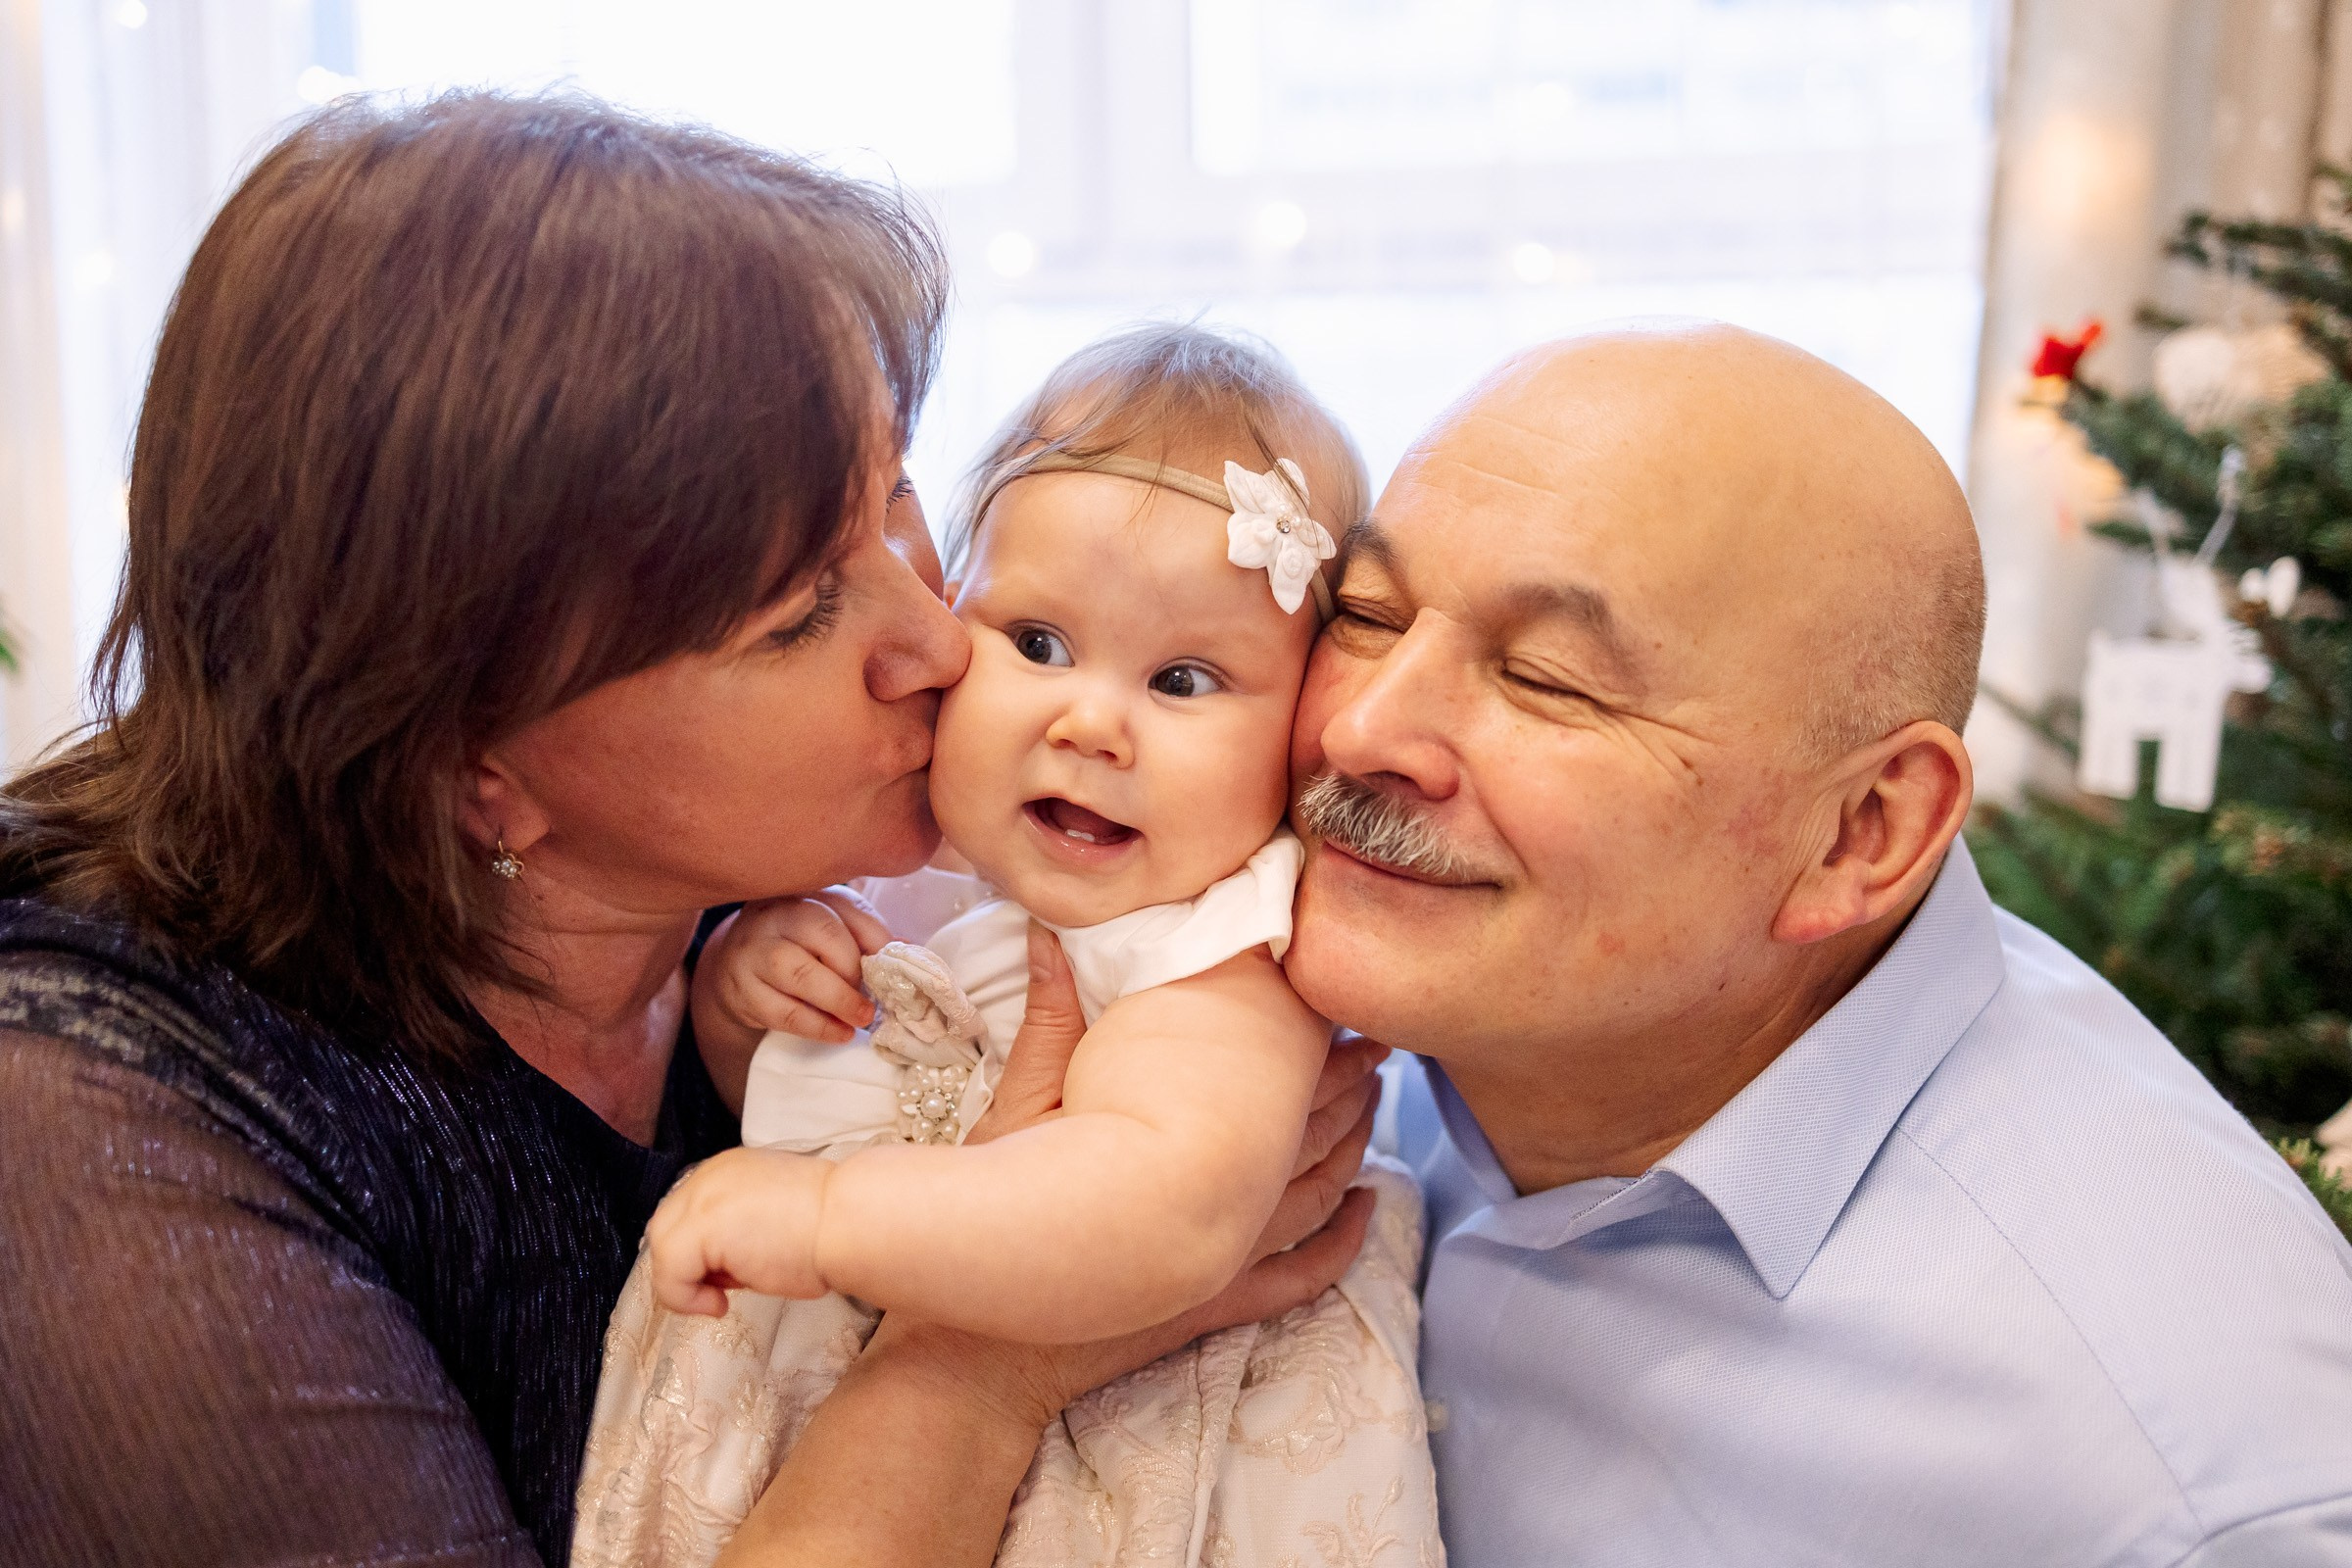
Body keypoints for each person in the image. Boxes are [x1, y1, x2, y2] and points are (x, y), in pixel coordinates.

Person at [0, 93, 1380, 1568]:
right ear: (476, 764)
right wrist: (994, 1354)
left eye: (899, 495)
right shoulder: (95, 1130)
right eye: (797, 617)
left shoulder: (808, 912)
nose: (939, 635)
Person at [1281, 323, 2352, 1565]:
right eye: (1365, 612)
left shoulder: (2177, 1489)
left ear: (1862, 832)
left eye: (1549, 679)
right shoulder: (1294, 992)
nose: (1363, 728)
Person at [575, 322, 1439, 1568]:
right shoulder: (923, 875)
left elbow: (1169, 1212)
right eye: (1036, 644)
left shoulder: (1212, 954)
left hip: (1124, 1472)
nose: (1091, 721)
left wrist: (827, 1215)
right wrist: (743, 1004)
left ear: (1303, 733)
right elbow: (838, 1101)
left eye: (1185, 681)